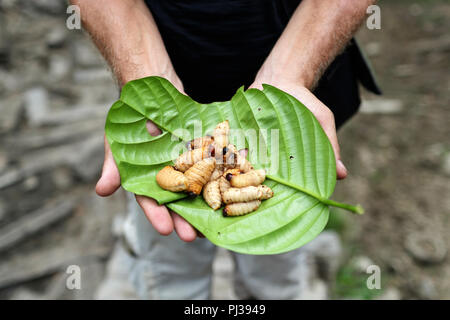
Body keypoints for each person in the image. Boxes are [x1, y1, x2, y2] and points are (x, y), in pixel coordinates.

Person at [72, 0, 380, 299]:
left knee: (276, 266)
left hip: (280, 119)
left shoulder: (224, 171)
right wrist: (143, 74)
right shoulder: (208, 167)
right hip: (160, 117)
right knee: (169, 271)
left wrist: (291, 76)